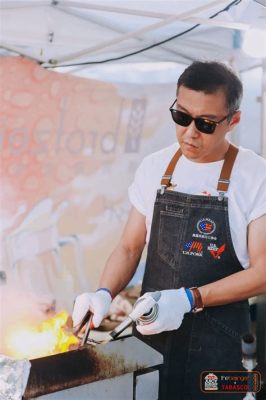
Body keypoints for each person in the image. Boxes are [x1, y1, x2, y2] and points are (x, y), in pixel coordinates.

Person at [72, 60, 266, 399]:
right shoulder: (155, 166)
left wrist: (191, 299)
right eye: (181, 117)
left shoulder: (255, 176)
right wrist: (104, 292)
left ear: (233, 120)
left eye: (206, 124)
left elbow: (263, 273)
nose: (190, 133)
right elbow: (130, 247)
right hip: (153, 341)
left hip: (219, 352)